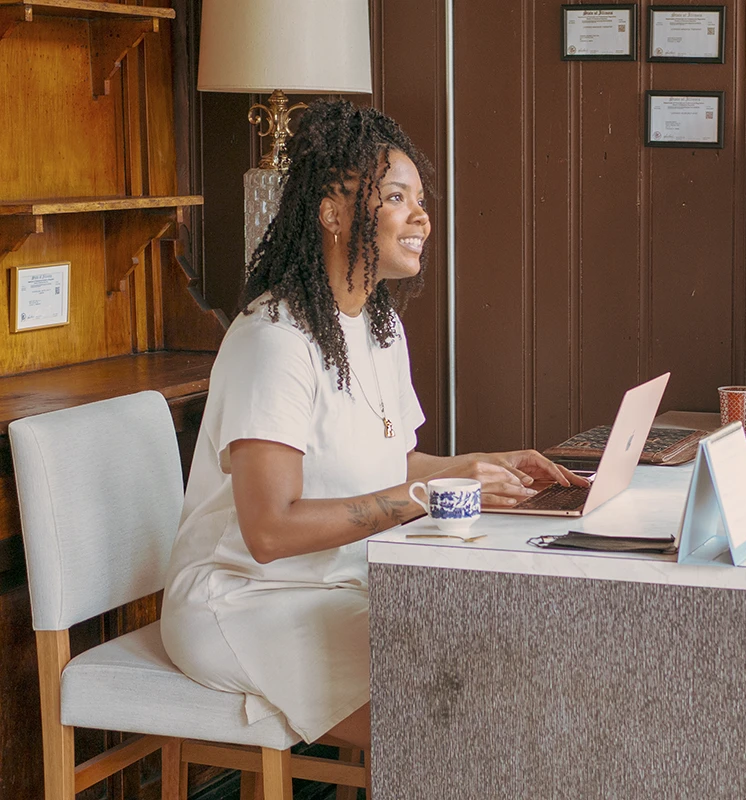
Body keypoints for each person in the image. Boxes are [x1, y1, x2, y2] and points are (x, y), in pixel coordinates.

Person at [160, 99, 586, 755]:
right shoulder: (274, 341)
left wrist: (479, 464)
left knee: (496, 665)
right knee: (456, 719)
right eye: (397, 198)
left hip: (341, 581)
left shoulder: (379, 328)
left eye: (420, 199)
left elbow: (391, 467)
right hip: (248, 599)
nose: (422, 217)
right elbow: (269, 531)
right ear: (332, 213)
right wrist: (433, 495)